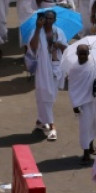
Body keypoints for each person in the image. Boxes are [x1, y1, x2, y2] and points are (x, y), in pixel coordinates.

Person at [66, 44, 96, 164]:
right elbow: (72, 88)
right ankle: (85, 152)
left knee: (95, 124)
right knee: (85, 127)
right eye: (80, 54)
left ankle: (91, 145)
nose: (82, 56)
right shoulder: (74, 69)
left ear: (88, 54)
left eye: (84, 54)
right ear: (76, 54)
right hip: (83, 103)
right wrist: (75, 104)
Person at [29, 10, 66, 141]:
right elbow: (33, 47)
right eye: (46, 18)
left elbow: (66, 49)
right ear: (42, 19)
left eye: (51, 18)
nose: (48, 21)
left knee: (50, 95)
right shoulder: (37, 32)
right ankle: (52, 126)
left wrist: (59, 45)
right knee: (43, 94)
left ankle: (40, 121)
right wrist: (38, 29)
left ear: (54, 20)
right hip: (42, 69)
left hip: (56, 68)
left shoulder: (59, 32)